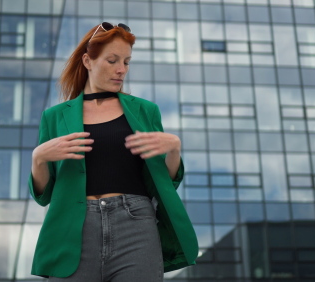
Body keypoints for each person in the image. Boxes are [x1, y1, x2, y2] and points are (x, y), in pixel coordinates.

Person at [29, 22, 198, 281]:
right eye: (112, 60)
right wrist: (39, 158)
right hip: (74, 229)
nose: (121, 70)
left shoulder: (145, 111)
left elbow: (164, 182)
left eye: (127, 62)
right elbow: (44, 195)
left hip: (135, 225)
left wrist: (174, 149)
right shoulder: (54, 118)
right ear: (87, 61)